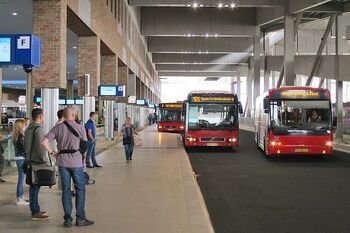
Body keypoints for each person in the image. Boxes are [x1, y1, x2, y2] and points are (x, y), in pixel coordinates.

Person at [42, 107, 94, 228]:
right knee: (80, 189)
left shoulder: (58, 127)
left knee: (65, 191)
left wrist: (52, 152)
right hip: (76, 163)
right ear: (74, 115)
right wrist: (83, 159)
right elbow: (84, 147)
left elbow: (44, 141)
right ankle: (80, 219)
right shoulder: (80, 128)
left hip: (62, 163)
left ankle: (68, 220)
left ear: (64, 116)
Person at [24, 108, 49, 220]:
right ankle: (35, 212)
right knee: (35, 187)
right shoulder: (38, 129)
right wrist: (44, 160)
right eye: (43, 116)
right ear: (40, 116)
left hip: (30, 160)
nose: (43, 117)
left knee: (33, 186)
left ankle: (36, 209)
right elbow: (40, 147)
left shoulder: (29, 128)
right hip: (37, 161)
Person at [13, 119, 29, 205]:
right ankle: (19, 198)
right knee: (21, 180)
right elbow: (25, 149)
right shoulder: (21, 137)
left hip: (18, 159)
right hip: (22, 159)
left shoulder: (16, 136)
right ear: (20, 126)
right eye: (24, 125)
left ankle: (21, 196)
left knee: (21, 179)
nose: (25, 126)